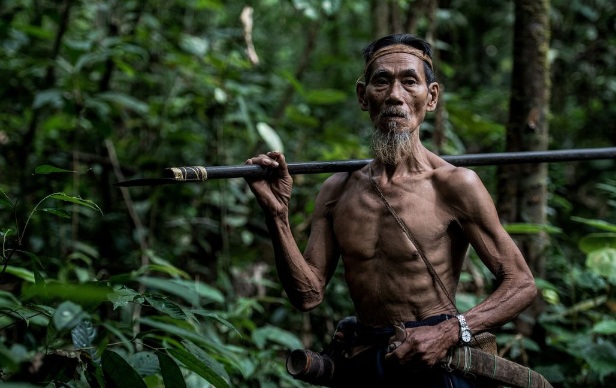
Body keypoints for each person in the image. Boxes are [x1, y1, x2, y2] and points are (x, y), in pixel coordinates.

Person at [245, 34, 537, 387]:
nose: (395, 95)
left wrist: (449, 333)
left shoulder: (455, 185)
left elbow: (521, 283)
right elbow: (307, 295)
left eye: (410, 81)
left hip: (435, 363)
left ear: (431, 97)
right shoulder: (337, 190)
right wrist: (277, 216)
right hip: (365, 363)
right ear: (363, 96)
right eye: (382, 81)